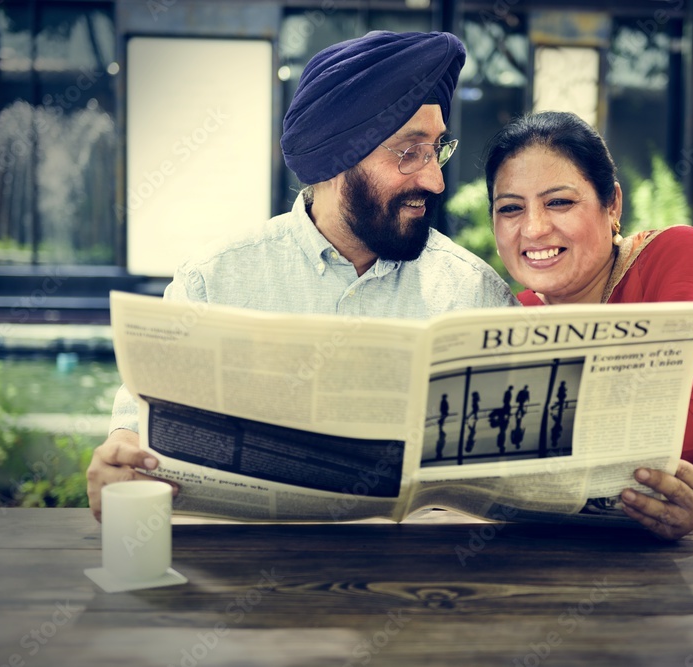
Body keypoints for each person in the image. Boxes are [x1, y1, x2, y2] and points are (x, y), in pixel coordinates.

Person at [87, 31, 517, 521]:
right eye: (408, 152)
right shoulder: (214, 282)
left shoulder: (475, 293)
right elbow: (138, 428)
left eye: (435, 149)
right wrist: (121, 462)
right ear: (333, 161)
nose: (434, 179)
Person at [484, 111, 693, 540]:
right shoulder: (515, 317)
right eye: (511, 208)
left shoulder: (677, 258)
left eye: (559, 202)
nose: (533, 228)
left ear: (613, 205)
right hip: (571, 558)